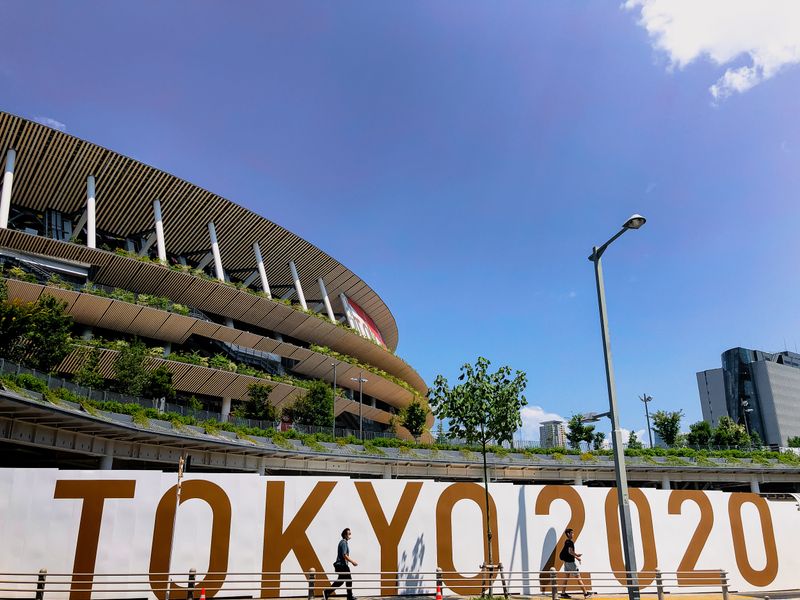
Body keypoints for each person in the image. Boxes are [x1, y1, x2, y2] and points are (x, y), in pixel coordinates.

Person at [324, 528, 358, 600]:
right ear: (345, 535)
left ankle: (327, 592)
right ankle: (349, 596)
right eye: (349, 534)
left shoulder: (343, 542)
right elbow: (344, 555)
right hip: (342, 565)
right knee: (349, 580)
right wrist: (353, 562)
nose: (350, 535)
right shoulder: (343, 542)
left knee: (341, 581)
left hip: (341, 565)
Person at [559, 528, 591, 598]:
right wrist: (577, 555)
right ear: (568, 534)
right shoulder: (570, 542)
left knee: (566, 577)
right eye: (572, 533)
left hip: (566, 563)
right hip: (571, 563)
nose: (573, 534)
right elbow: (570, 552)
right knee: (578, 577)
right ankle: (585, 593)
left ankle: (563, 593)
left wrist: (576, 557)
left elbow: (569, 552)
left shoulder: (566, 541)